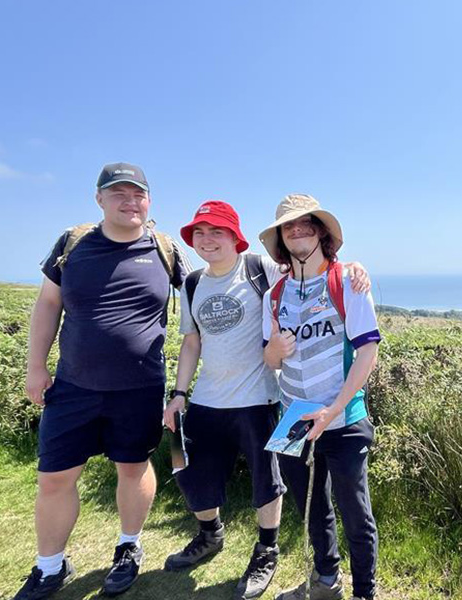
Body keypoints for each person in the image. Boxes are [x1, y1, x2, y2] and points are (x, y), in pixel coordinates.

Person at [162, 200, 370, 600]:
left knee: (275, 486)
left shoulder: (260, 268)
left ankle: (273, 554)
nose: (207, 240)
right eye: (200, 233)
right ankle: (213, 537)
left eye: (217, 231)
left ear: (235, 237)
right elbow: (194, 343)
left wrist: (354, 268)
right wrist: (179, 393)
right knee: (194, 473)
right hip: (240, 403)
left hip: (267, 401)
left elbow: (318, 265)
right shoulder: (194, 283)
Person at [13, 162, 190, 600]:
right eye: (118, 194)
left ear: (149, 201)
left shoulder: (165, 249)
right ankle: (50, 566)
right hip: (73, 385)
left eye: (138, 194)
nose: (129, 202)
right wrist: (36, 367)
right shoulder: (73, 244)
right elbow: (47, 306)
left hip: (139, 387)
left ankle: (128, 546)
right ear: (99, 199)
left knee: (132, 467)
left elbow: (205, 300)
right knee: (54, 477)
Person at [261, 194, 380, 600]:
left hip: (344, 416)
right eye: (288, 225)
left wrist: (335, 409)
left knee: (355, 513)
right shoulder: (273, 295)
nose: (297, 229)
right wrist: (276, 348)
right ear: (280, 237)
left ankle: (365, 593)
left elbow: (368, 350)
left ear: (321, 231)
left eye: (306, 222)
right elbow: (269, 360)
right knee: (310, 509)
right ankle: (326, 582)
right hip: (293, 414)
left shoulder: (348, 279)